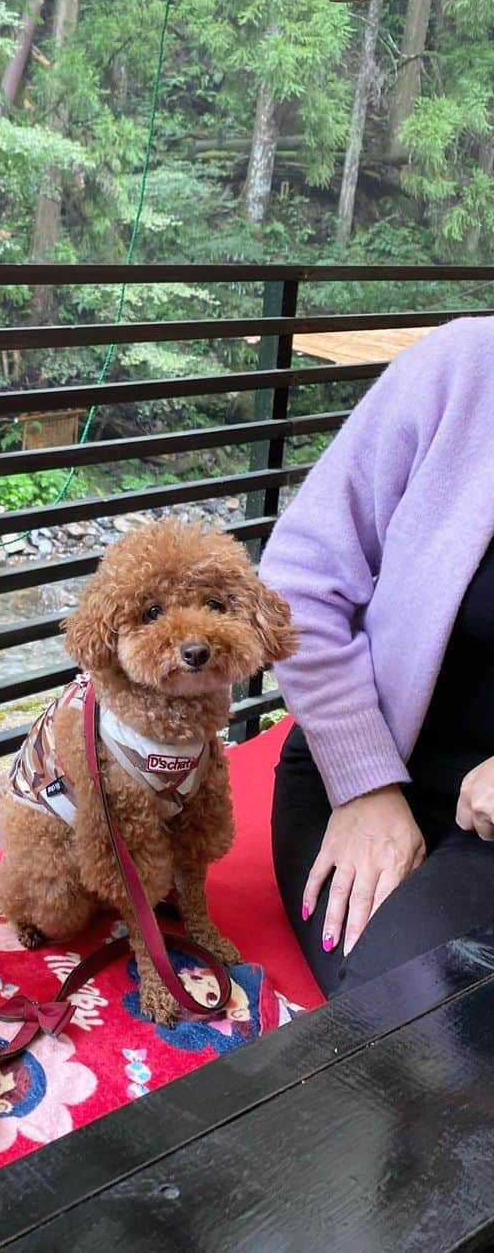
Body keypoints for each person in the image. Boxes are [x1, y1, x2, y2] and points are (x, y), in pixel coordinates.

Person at [259, 315, 494, 997]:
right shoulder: (465, 367)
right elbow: (299, 580)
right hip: (365, 771)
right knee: (415, 1020)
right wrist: (364, 781)